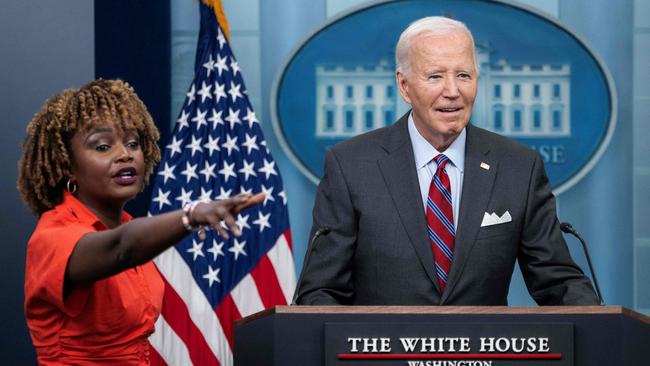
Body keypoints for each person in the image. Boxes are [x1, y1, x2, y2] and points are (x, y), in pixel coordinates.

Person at [294, 16, 599, 306]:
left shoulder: (519, 167)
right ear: (404, 86)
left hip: (484, 356)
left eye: (463, 75)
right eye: (435, 76)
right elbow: (321, 290)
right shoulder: (351, 166)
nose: (452, 92)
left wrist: (600, 325)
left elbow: (559, 281)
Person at [18, 79, 264, 364]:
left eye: (133, 143)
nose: (125, 154)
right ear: (67, 167)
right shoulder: (53, 235)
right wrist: (192, 215)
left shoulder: (129, 226)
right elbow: (123, 248)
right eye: (102, 147)